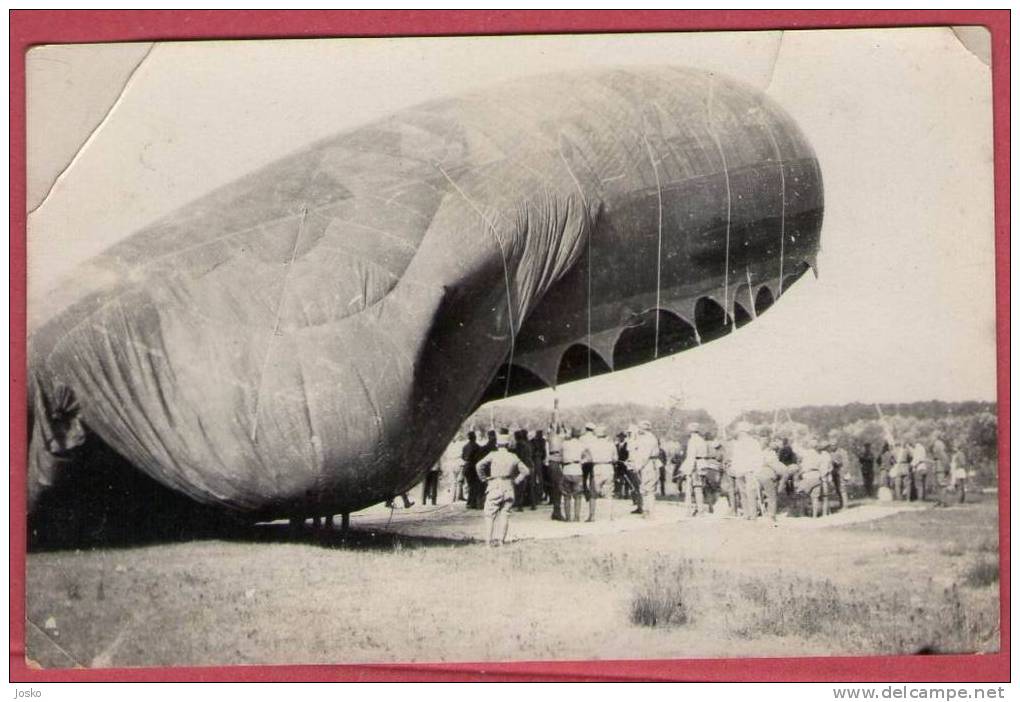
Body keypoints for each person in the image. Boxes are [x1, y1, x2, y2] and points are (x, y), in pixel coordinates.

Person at [476, 431, 530, 547]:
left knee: (489, 515)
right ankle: (501, 541)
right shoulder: (513, 457)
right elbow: (526, 471)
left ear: (497, 444)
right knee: (505, 514)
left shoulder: (492, 455)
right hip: (508, 487)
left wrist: (484, 479)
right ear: (508, 445)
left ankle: (488, 542)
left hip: (494, 485)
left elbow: (479, 465)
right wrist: (516, 480)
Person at [729, 422, 764, 519]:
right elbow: (735, 458)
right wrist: (734, 468)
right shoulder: (738, 444)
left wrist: (756, 469)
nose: (740, 434)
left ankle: (752, 514)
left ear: (745, 432)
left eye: (742, 432)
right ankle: (747, 513)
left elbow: (758, 457)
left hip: (749, 470)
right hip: (740, 470)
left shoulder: (753, 442)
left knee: (750, 492)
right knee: (743, 493)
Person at [628, 420, 661, 517]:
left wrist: (638, 466)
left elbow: (645, 455)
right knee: (645, 488)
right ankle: (647, 510)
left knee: (648, 488)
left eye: (640, 428)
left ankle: (649, 511)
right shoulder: (646, 438)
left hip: (649, 464)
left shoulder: (648, 439)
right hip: (647, 464)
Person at [586, 425, 617, 521]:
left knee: (593, 493)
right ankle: (610, 516)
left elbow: (588, 458)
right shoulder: (611, 444)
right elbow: (615, 458)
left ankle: (592, 516)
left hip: (597, 467)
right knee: (609, 493)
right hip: (608, 467)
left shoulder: (592, 445)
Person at [681, 422, 709, 516]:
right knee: (699, 488)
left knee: (690, 489)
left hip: (695, 465)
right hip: (702, 464)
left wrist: (687, 470)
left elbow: (691, 456)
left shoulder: (692, 441)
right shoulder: (702, 440)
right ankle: (700, 509)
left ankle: (690, 511)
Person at [560, 427, 588, 522]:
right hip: (577, 470)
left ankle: (568, 517)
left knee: (566, 496)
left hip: (566, 469)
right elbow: (587, 457)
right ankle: (577, 517)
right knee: (578, 496)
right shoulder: (582, 445)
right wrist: (581, 461)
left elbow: (560, 456)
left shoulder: (564, 444)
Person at [546, 425, 566, 521]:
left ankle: (556, 511)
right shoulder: (553, 438)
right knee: (557, 487)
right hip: (555, 461)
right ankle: (557, 511)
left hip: (556, 461)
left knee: (557, 488)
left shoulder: (554, 438)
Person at [512, 429, 535, 511]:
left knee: (521, 486)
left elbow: (519, 456)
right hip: (531, 465)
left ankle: (520, 506)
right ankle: (533, 504)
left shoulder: (519, 444)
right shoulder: (528, 444)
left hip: (523, 467)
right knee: (531, 486)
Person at [461, 431, 485, 510]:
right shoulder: (477, 446)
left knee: (470, 485)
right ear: (474, 437)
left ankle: (470, 502)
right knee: (474, 486)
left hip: (466, 467)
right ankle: (471, 503)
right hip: (473, 467)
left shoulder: (465, 446)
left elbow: (463, 457)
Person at [579, 422, 598, 501]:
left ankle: (586, 492)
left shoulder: (582, 438)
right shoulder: (595, 438)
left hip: (584, 460)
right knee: (592, 477)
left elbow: (580, 450)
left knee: (584, 477)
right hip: (593, 460)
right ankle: (592, 492)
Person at [530, 429, 548, 506]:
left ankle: (535, 497)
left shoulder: (532, 441)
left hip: (534, 459)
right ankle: (540, 494)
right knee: (540, 479)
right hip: (539, 459)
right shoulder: (543, 441)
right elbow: (544, 451)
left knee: (534, 479)